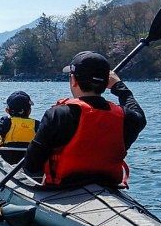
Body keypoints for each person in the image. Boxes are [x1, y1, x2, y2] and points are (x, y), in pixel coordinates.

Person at [23, 51, 146, 187]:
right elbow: (138, 114)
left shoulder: (58, 114)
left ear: (74, 80)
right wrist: (119, 86)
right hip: (109, 187)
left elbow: (32, 166)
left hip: (61, 190)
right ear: (106, 83)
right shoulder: (126, 117)